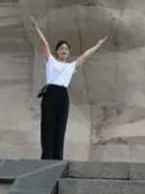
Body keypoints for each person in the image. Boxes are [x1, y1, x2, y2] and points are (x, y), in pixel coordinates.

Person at [29, 17, 107, 160]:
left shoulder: (71, 67)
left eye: (66, 49)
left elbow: (85, 55)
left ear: (68, 53)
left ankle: (58, 157)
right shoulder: (51, 61)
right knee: (48, 125)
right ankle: (46, 156)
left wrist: (98, 45)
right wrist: (37, 28)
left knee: (60, 126)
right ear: (57, 51)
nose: (64, 51)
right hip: (50, 93)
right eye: (61, 49)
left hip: (63, 95)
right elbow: (44, 43)